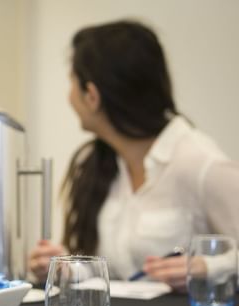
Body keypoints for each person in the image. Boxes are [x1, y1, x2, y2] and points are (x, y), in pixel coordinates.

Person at [28, 20, 239, 291]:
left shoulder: (200, 164)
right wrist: (68, 268)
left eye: (71, 83)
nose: (69, 97)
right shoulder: (97, 163)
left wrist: (209, 267)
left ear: (92, 96)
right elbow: (118, 272)